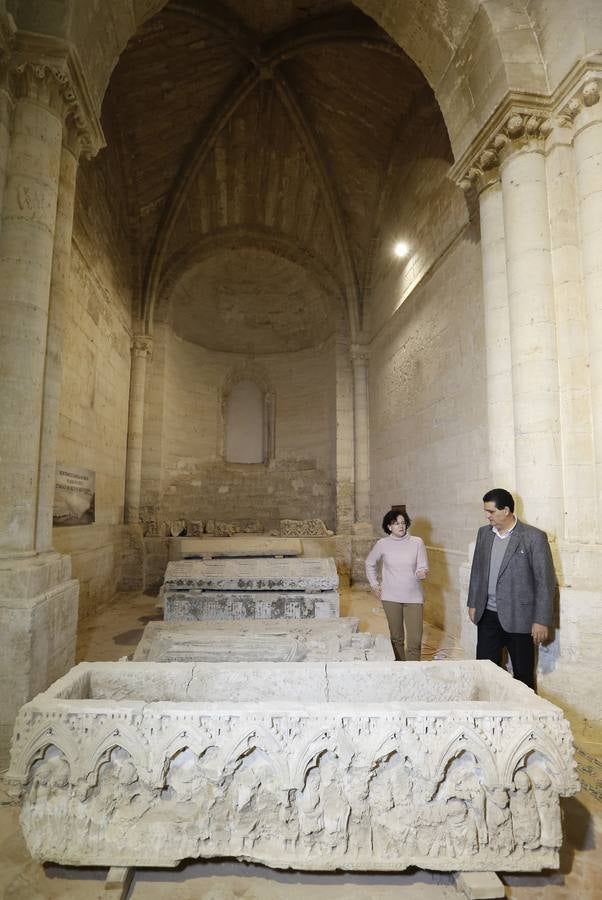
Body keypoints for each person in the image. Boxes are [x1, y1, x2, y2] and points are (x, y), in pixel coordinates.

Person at [467, 488, 556, 690]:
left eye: (491, 511)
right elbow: (477, 570)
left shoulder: (533, 537)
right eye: (485, 511)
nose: (486, 515)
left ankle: (525, 715)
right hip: (487, 615)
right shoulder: (484, 533)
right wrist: (473, 603)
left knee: (523, 675)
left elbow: (545, 581)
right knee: (484, 669)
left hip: (520, 617)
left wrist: (541, 620)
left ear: (506, 510)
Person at [365, 509, 428, 661]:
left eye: (403, 523)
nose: (400, 526)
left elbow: (423, 565)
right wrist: (374, 585)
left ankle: (413, 672)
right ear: (388, 527)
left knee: (415, 641)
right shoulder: (382, 544)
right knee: (397, 638)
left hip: (413, 598)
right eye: (396, 523)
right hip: (390, 598)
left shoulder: (417, 542)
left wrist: (421, 571)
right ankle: (400, 668)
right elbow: (369, 563)